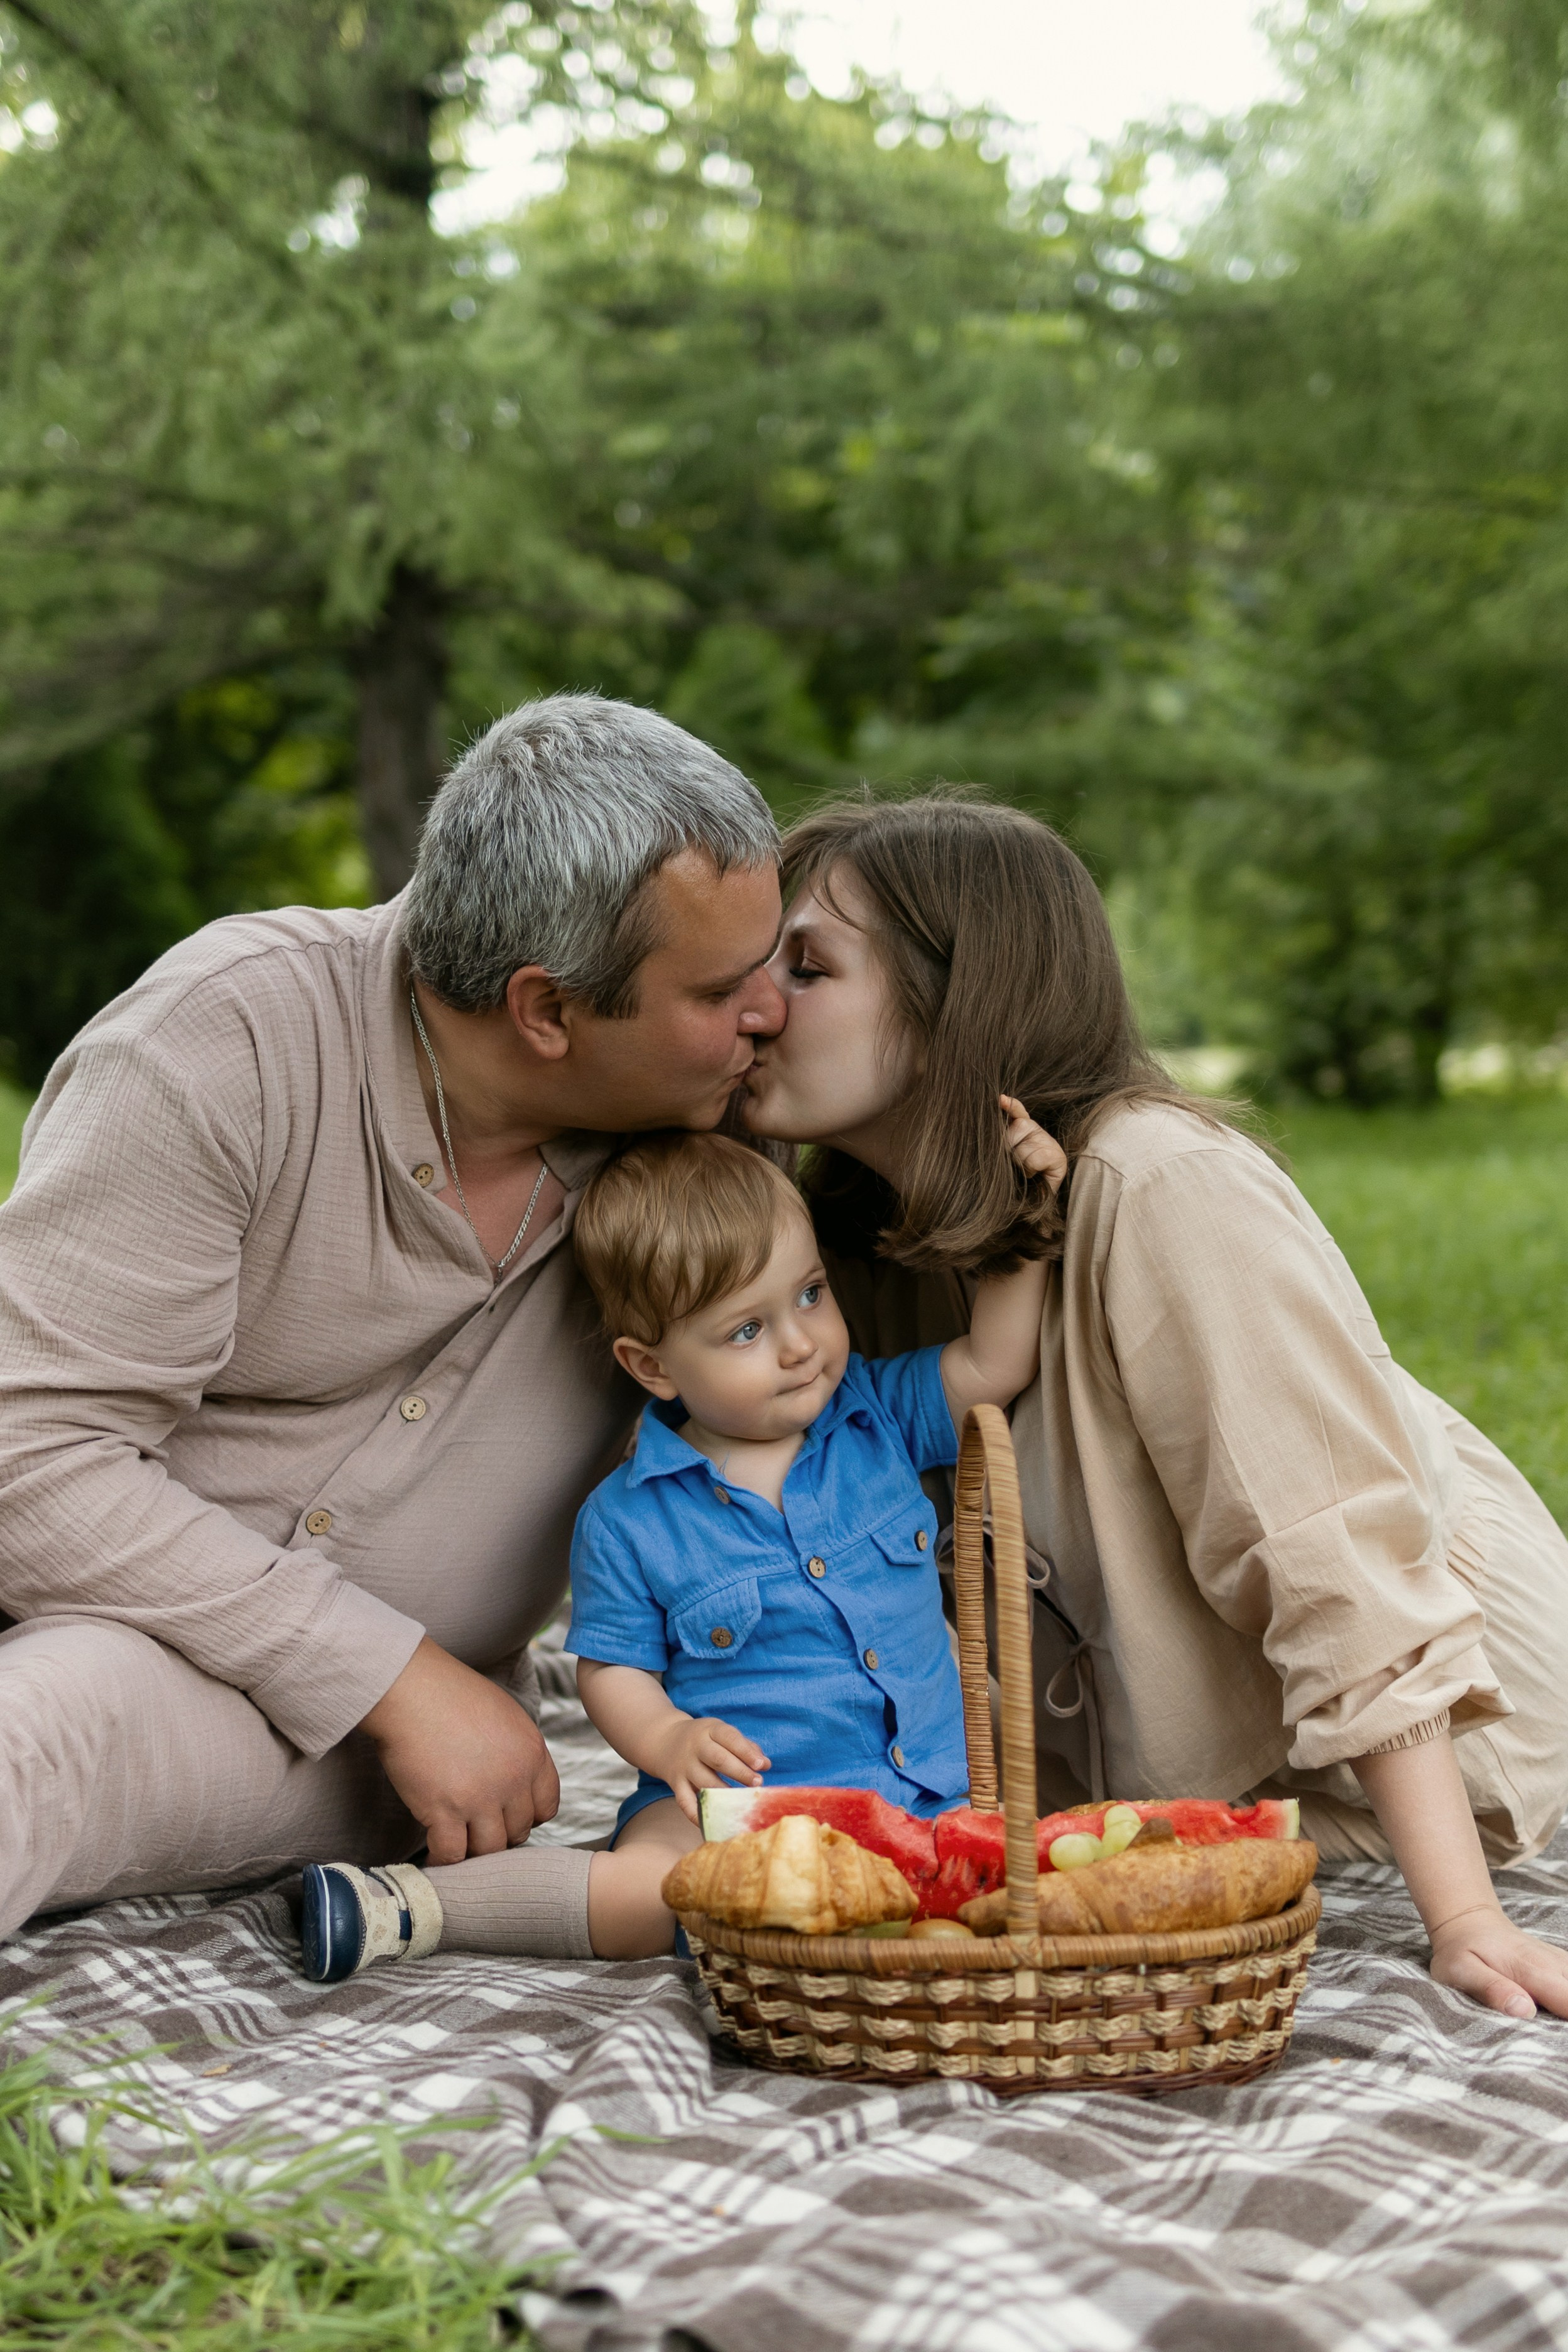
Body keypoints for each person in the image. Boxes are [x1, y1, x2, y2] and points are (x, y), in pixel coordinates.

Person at [734, 792, 1568, 2022]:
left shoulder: (1156, 1184)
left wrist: (1466, 1922)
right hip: (1159, 1773)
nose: (759, 1006)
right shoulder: (858, 1253)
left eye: (808, 967)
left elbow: (1333, 1555)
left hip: (1446, 1737)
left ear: (955, 998)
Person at [0, 693, 786, 1961]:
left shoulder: (712, 1140)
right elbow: (26, 1459)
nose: (771, 1013)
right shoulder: (224, 1045)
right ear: (546, 1012)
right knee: (48, 1725)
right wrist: (393, 1674)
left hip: (354, 1759)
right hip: (106, 1637)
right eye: (721, 988)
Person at [297, 1111, 1064, 1977]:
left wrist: (1026, 1220)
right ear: (652, 1366)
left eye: (810, 1294)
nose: (800, 1344)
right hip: (733, 1807)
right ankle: (412, 1907)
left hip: (930, 1796)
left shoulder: (876, 1416)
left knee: (1029, 1887)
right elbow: (612, 1666)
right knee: (657, 1890)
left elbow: (993, 1364)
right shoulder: (629, 1520)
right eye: (746, 1331)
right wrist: (667, 1741)